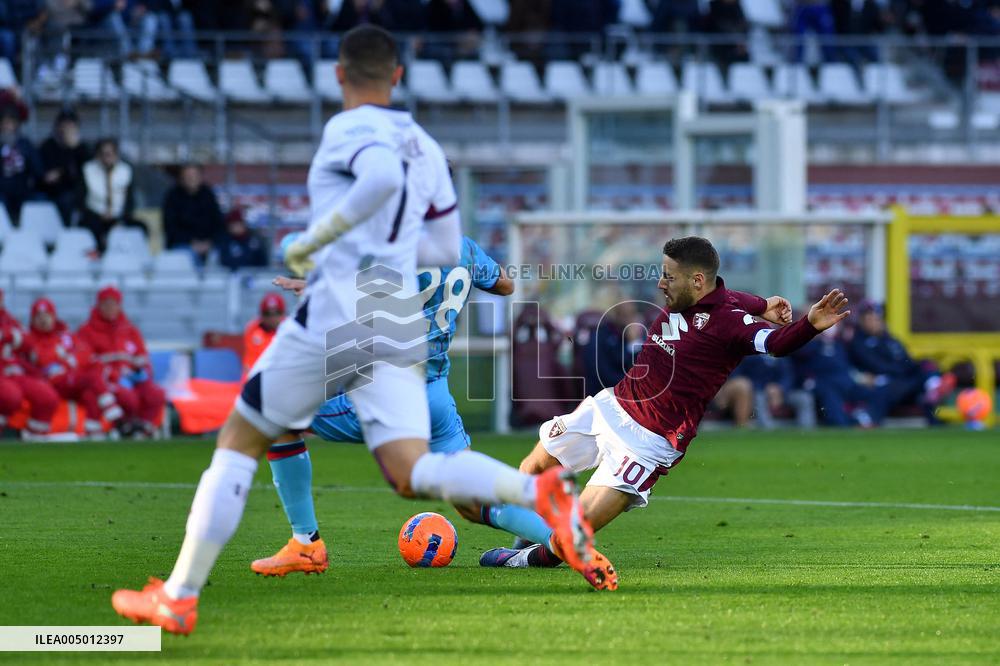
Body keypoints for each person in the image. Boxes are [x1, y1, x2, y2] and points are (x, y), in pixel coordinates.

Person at [111, 25, 604, 637]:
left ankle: (194, 589)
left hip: (346, 327)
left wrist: (311, 246)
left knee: (246, 433)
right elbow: (455, 250)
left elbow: (375, 187)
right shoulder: (425, 147)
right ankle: (540, 498)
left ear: (340, 76)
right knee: (412, 471)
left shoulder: (352, 128)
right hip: (410, 350)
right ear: (398, 76)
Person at [480, 237, 850, 570]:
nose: (660, 283)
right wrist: (765, 303)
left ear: (697, 281)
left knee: (574, 533)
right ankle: (525, 538)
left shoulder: (732, 324)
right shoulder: (720, 296)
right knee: (531, 469)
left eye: (669, 276)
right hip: (611, 406)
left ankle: (526, 559)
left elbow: (775, 344)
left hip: (649, 443)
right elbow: (736, 297)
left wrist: (810, 324)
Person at [250, 236, 546, 577]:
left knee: (276, 418)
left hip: (389, 393)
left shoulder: (395, 243)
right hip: (434, 394)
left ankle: (305, 543)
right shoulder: (463, 246)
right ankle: (559, 539)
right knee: (471, 499)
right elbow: (505, 284)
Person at [24, 298, 124, 438]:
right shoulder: (29, 339)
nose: (43, 320)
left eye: (46, 316)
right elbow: (42, 360)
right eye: (39, 317)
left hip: (71, 380)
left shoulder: (64, 336)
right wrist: (66, 362)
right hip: (52, 382)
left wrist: (70, 362)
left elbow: (85, 353)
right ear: (32, 319)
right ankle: (112, 410)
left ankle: (93, 433)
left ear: (53, 317)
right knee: (92, 378)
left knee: (90, 395)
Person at [76, 286, 165, 438]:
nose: (110, 308)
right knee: (127, 397)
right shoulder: (86, 331)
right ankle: (125, 428)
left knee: (156, 394)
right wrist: (114, 374)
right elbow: (86, 363)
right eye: (106, 304)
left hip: (132, 378)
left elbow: (143, 358)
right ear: (98, 306)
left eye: (114, 304)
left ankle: (143, 431)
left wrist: (139, 371)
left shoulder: (130, 330)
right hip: (106, 381)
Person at [847, 300, 954, 421]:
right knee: (892, 386)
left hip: (903, 380)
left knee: (925, 365)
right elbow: (877, 366)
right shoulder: (858, 343)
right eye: (870, 318)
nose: (875, 322)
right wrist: (902, 371)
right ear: (862, 320)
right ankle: (869, 419)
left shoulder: (891, 340)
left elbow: (908, 361)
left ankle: (933, 386)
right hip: (883, 382)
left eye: (877, 318)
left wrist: (918, 366)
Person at [0, 289, 59, 438]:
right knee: (10, 396)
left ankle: (35, 439)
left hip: (15, 372)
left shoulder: (9, 320)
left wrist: (10, 336)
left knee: (48, 397)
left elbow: (27, 344)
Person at [79, 138, 145, 253]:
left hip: (118, 217)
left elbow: (129, 201)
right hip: (95, 216)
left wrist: (121, 218)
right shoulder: (88, 170)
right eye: (104, 154)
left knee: (140, 227)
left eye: (111, 154)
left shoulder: (125, 171)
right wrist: (99, 214)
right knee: (92, 229)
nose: (107, 157)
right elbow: (80, 200)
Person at [162, 163, 225, 266]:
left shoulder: (208, 195)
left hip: (209, 245)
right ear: (181, 178)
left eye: (194, 176)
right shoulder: (173, 197)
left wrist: (210, 242)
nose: (191, 179)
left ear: (200, 177)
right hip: (182, 245)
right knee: (188, 258)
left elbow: (218, 223)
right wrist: (192, 243)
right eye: (187, 176)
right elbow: (170, 227)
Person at [39, 109, 90, 226]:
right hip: (50, 190)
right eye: (64, 125)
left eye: (70, 125)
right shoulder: (48, 146)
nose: (66, 129)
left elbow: (86, 171)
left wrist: (74, 148)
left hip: (74, 191)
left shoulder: (82, 148)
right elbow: (44, 174)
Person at [0, 104, 42, 223]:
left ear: (16, 125)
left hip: (23, 189)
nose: (6, 127)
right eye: (3, 123)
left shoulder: (25, 144)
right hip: (2, 190)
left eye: (9, 123)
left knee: (37, 201)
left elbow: (37, 169)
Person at [242, 292, 285, 375]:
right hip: (259, 377)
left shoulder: (290, 331)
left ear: (283, 313)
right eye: (267, 314)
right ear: (261, 315)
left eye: (277, 313)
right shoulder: (253, 330)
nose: (272, 318)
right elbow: (250, 365)